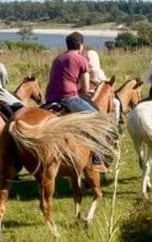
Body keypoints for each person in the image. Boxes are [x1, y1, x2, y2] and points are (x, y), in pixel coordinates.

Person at [44, 32, 108, 172]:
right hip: (68, 98)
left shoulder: (57, 59)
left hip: (49, 98)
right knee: (99, 120)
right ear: (80, 45)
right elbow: (85, 89)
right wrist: (81, 90)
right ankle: (98, 159)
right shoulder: (81, 59)